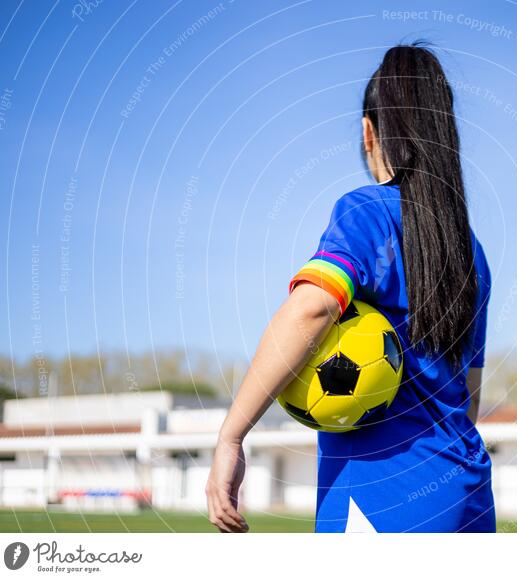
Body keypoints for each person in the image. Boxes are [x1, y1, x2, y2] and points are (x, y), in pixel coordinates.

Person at [207, 43, 495, 533]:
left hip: (378, 494)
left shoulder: (367, 211)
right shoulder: (472, 251)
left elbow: (311, 311)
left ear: (369, 132)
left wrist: (231, 437)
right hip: (468, 494)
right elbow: (469, 396)